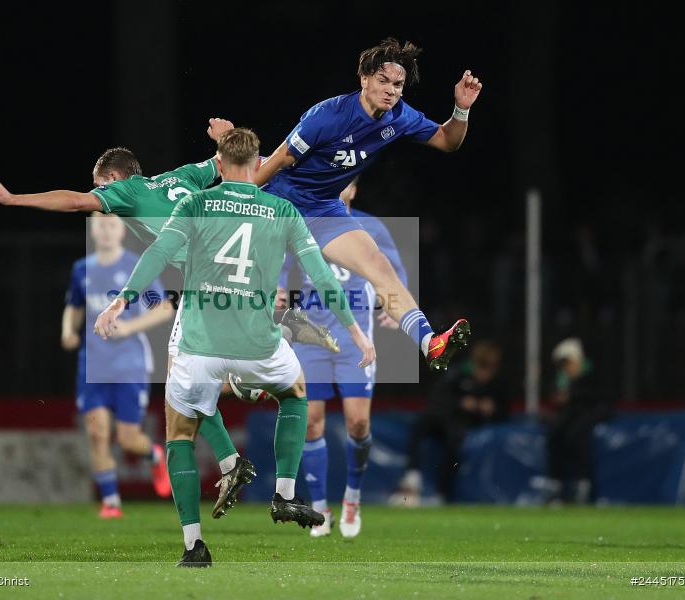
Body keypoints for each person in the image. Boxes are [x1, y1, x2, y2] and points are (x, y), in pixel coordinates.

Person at [94, 128, 375, 567]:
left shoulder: (195, 203)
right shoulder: (282, 209)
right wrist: (355, 332)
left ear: (219, 166)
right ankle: (284, 494)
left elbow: (156, 254)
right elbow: (320, 274)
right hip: (258, 341)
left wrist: (120, 301)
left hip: (200, 340)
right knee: (295, 392)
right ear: (258, 163)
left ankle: (194, 546)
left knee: (179, 434)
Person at [0, 123, 257, 516]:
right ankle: (231, 459)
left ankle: (245, 383)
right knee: (185, 383)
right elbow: (242, 161)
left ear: (110, 178)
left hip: (208, 285)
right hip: (235, 272)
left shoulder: (126, 190)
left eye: (99, 186)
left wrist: (14, 199)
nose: (99, 194)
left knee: (190, 382)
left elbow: (74, 202)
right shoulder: (184, 175)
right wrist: (227, 136)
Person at [237, 37, 482, 371]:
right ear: (364, 79)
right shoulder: (327, 115)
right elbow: (278, 161)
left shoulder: (399, 116)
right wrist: (240, 200)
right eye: (383, 81)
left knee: (378, 267)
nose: (391, 90)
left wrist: (461, 109)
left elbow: (447, 140)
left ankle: (430, 344)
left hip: (324, 209)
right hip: (281, 203)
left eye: (398, 84)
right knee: (251, 289)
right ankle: (245, 362)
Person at [285, 176, 408, 538]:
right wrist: (278, 286)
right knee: (311, 422)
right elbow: (280, 255)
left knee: (358, 424)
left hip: (354, 338)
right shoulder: (304, 220)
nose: (337, 186)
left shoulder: (368, 226)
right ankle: (321, 509)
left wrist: (394, 304)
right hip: (310, 335)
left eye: (343, 182)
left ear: (353, 189)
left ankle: (352, 497)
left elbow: (393, 271)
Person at [62, 213, 175, 517]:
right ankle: (111, 502)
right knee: (97, 433)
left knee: (127, 440)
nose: (106, 230)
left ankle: (153, 455)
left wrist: (130, 327)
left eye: (112, 224)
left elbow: (163, 308)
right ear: (93, 229)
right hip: (92, 364)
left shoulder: (136, 266)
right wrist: (68, 331)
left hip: (129, 363)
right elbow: (73, 306)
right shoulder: (82, 269)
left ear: (122, 229)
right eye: (100, 224)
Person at [393, 340, 508, 505]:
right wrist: (461, 402)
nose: (484, 373)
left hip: (462, 425)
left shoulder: (496, 384)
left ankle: (442, 493)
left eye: (489, 368)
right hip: (445, 418)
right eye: (481, 366)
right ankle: (412, 475)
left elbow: (504, 409)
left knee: (453, 440)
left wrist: (491, 408)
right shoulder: (458, 374)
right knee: (422, 424)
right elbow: (438, 398)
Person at [542, 338, 612, 505]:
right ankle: (555, 486)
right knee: (555, 434)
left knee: (576, 436)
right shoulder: (564, 379)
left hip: (590, 414)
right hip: (573, 415)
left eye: (568, 363)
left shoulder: (592, 374)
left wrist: (570, 397)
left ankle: (582, 486)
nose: (566, 368)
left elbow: (600, 398)